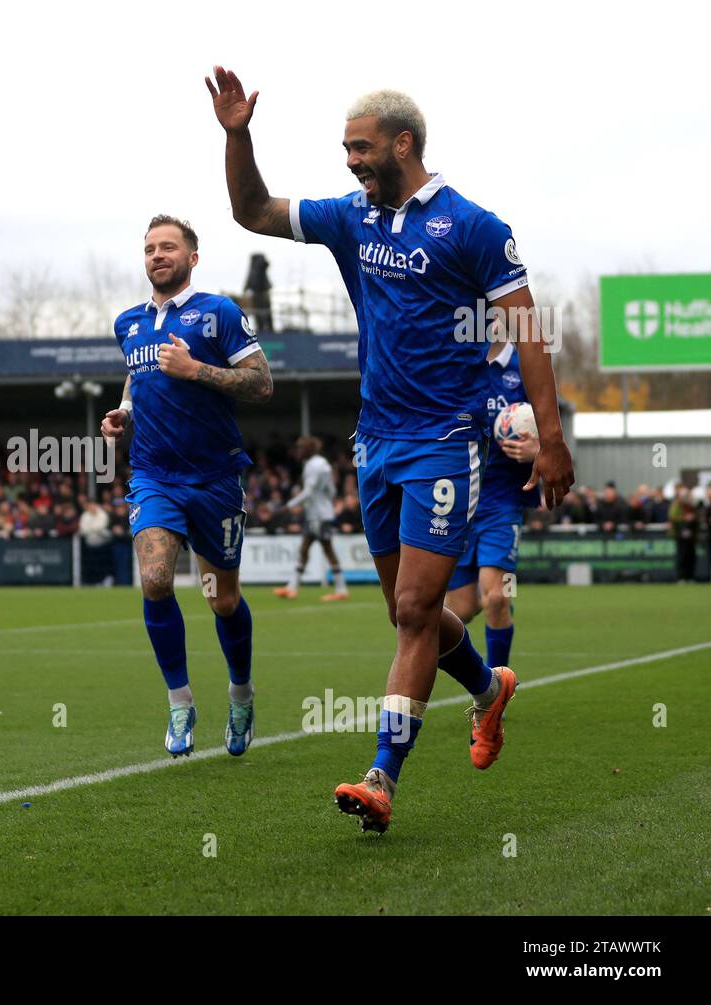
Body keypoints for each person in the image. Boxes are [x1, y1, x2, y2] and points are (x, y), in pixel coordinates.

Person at [207, 68, 573, 831]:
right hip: (374, 444)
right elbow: (250, 210)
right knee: (409, 613)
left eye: (361, 147)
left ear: (403, 144)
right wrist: (238, 134)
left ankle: (383, 776)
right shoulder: (351, 218)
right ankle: (487, 688)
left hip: (445, 443)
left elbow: (528, 333)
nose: (350, 161)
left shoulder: (473, 226)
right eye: (345, 148)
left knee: (413, 609)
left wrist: (552, 437)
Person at [102, 215, 273, 758]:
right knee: (154, 580)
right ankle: (180, 702)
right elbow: (138, 373)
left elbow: (261, 383)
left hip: (216, 477)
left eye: (168, 247)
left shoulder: (218, 313)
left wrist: (196, 369)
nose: (157, 255)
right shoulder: (128, 323)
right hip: (153, 475)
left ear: (192, 257)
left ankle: (241, 694)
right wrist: (124, 412)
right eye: (150, 248)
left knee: (222, 601)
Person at [443, 339, 540, 671]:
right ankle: (480, 682)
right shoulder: (456, 362)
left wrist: (538, 451)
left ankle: (497, 693)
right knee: (459, 611)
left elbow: (552, 435)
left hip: (502, 501)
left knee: (496, 597)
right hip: (459, 499)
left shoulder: (525, 366)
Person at [272, 435, 349, 601]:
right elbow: (332, 491)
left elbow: (309, 492)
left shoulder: (314, 466)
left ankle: (341, 590)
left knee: (327, 550)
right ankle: (291, 588)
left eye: (300, 448)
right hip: (318, 514)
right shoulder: (321, 464)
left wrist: (288, 506)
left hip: (319, 516)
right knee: (305, 550)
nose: (297, 451)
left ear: (308, 449)